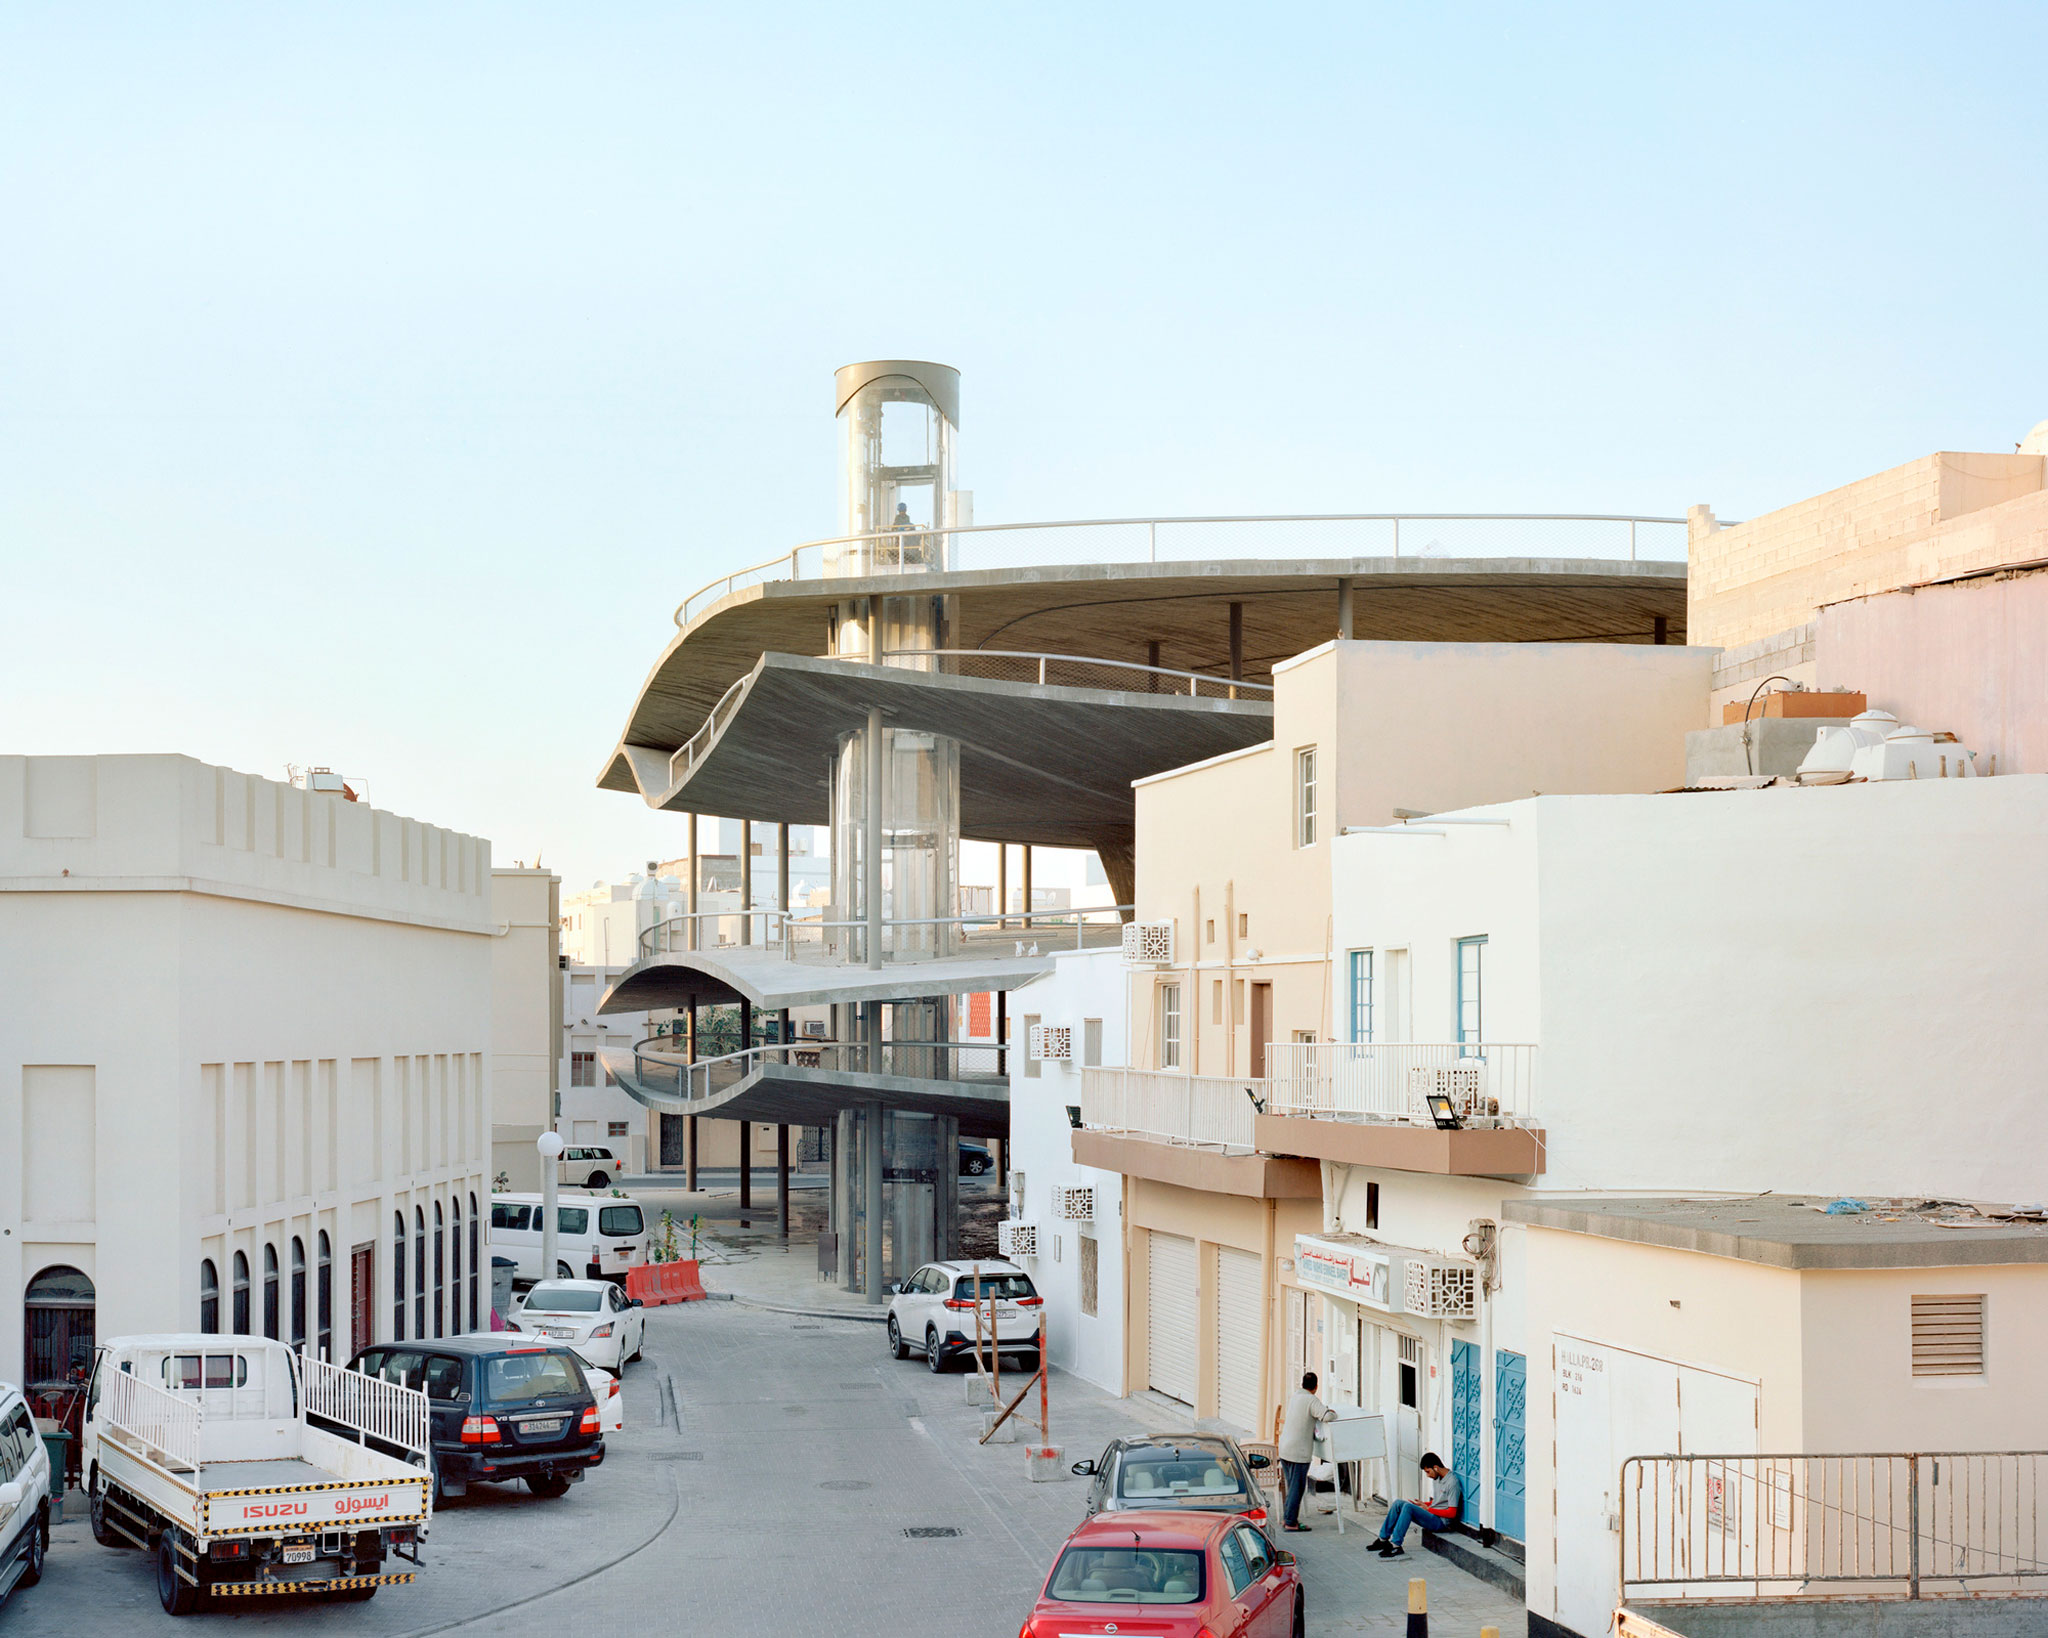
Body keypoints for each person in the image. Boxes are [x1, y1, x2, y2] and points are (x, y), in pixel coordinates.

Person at [1275, 1370, 1334, 1532]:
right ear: (1315, 1387)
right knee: (1297, 1487)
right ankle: (1291, 1522)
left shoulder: (1295, 1397)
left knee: (1290, 1485)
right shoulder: (1311, 1400)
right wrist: (1332, 1412)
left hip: (1285, 1449)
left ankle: (1288, 1517)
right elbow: (1326, 1416)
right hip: (1298, 1453)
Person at [1369, 1453, 1461, 1556]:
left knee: (1408, 1507)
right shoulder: (1437, 1477)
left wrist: (1428, 1509)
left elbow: (1452, 1513)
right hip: (1433, 1515)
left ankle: (1396, 1545)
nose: (1427, 1475)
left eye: (1428, 1472)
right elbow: (1439, 1501)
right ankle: (1382, 1539)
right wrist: (1424, 1504)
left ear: (1435, 1468)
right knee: (1398, 1503)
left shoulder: (1452, 1483)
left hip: (1442, 1523)